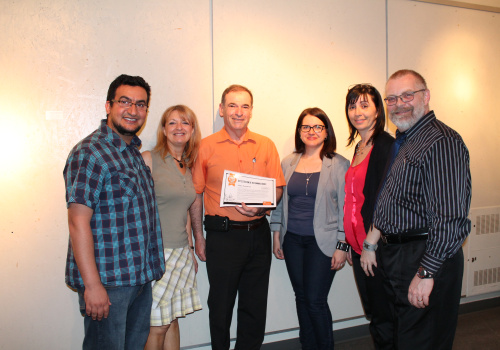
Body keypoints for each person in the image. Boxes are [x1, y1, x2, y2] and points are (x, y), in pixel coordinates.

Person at [361, 69, 471, 349]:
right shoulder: (406, 140)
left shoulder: (440, 141)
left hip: (424, 255)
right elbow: (392, 199)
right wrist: (373, 243)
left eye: (407, 95)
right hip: (400, 255)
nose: (399, 104)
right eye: (392, 98)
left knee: (422, 340)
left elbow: (450, 218)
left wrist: (426, 273)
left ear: (426, 96)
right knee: (406, 337)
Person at [63, 74, 165, 349]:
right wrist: (93, 286)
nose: (133, 111)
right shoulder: (90, 153)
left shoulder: (131, 152)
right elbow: (77, 223)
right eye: (125, 102)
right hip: (108, 285)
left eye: (141, 104)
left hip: (138, 279)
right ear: (108, 106)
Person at [190, 84, 286, 350]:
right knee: (220, 305)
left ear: (251, 111)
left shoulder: (266, 145)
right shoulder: (205, 147)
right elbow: (196, 195)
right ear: (221, 109)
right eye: (232, 105)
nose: (238, 112)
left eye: (245, 106)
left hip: (258, 234)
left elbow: (277, 189)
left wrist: (261, 207)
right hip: (222, 236)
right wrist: (198, 236)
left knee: (255, 306)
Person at [270, 107, 350, 350]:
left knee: (315, 300)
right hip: (292, 240)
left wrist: (342, 246)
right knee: (302, 298)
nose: (311, 131)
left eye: (318, 126)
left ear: (326, 132)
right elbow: (279, 202)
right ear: (299, 131)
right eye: (306, 126)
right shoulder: (288, 162)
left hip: (322, 243)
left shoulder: (338, 164)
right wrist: (276, 234)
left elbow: (346, 210)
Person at [142, 105, 203, 350]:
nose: (179, 128)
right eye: (173, 123)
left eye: (185, 123)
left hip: (180, 253)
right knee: (156, 325)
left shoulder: (187, 167)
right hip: (157, 253)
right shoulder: (148, 159)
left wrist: (189, 247)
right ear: (164, 130)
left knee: (172, 319)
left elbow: (187, 213)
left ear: (192, 129)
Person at [343, 84, 395, 349]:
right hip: (359, 247)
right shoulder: (359, 146)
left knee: (385, 318)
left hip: (375, 248)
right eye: (352, 106)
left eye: (364, 105)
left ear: (378, 111)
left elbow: (387, 200)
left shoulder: (386, 145)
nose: (357, 112)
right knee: (375, 315)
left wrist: (369, 245)